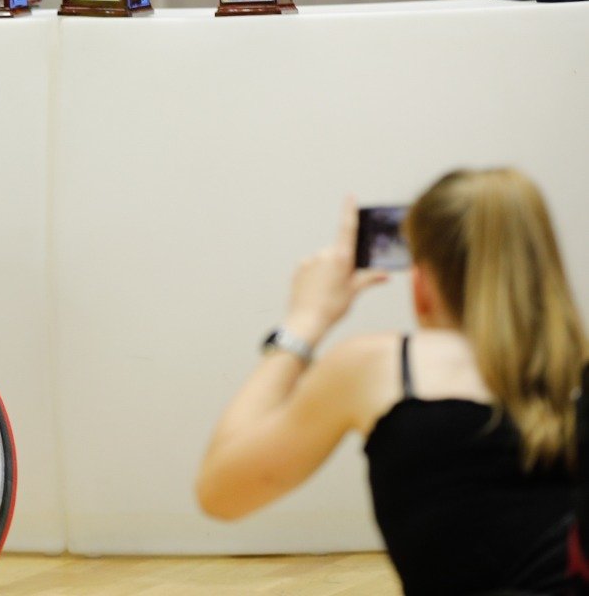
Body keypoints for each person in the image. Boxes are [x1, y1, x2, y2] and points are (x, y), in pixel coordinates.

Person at [197, 169, 587, 595]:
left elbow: (221, 491)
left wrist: (304, 321)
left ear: (421, 280)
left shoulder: (382, 367)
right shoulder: (576, 373)